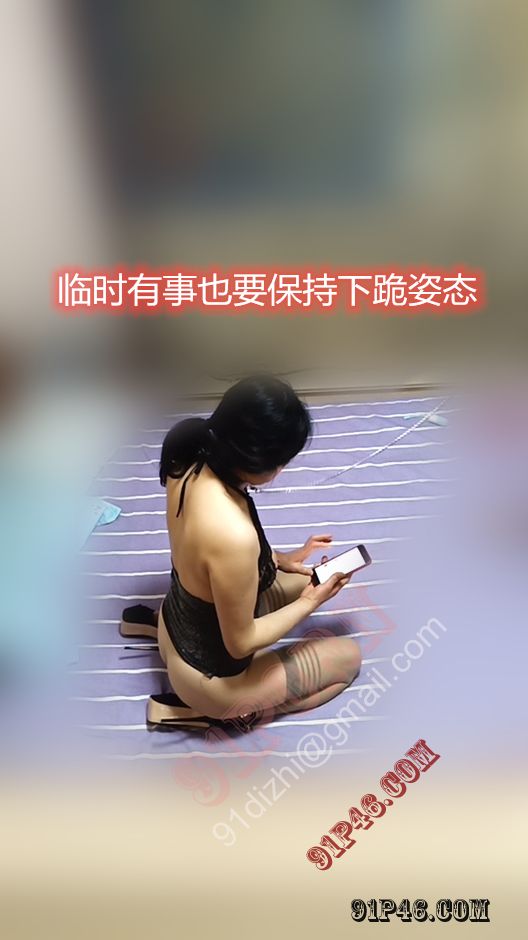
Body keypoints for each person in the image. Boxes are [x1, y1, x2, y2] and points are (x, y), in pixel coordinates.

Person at [121, 375, 361, 731]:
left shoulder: (187, 449)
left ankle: (155, 627)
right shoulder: (234, 535)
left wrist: (282, 559)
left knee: (309, 579)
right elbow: (240, 643)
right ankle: (214, 712)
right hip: (209, 683)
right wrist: (309, 604)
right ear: (259, 460)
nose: (281, 470)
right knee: (348, 659)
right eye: (281, 462)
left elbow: (206, 555)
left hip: (174, 626)